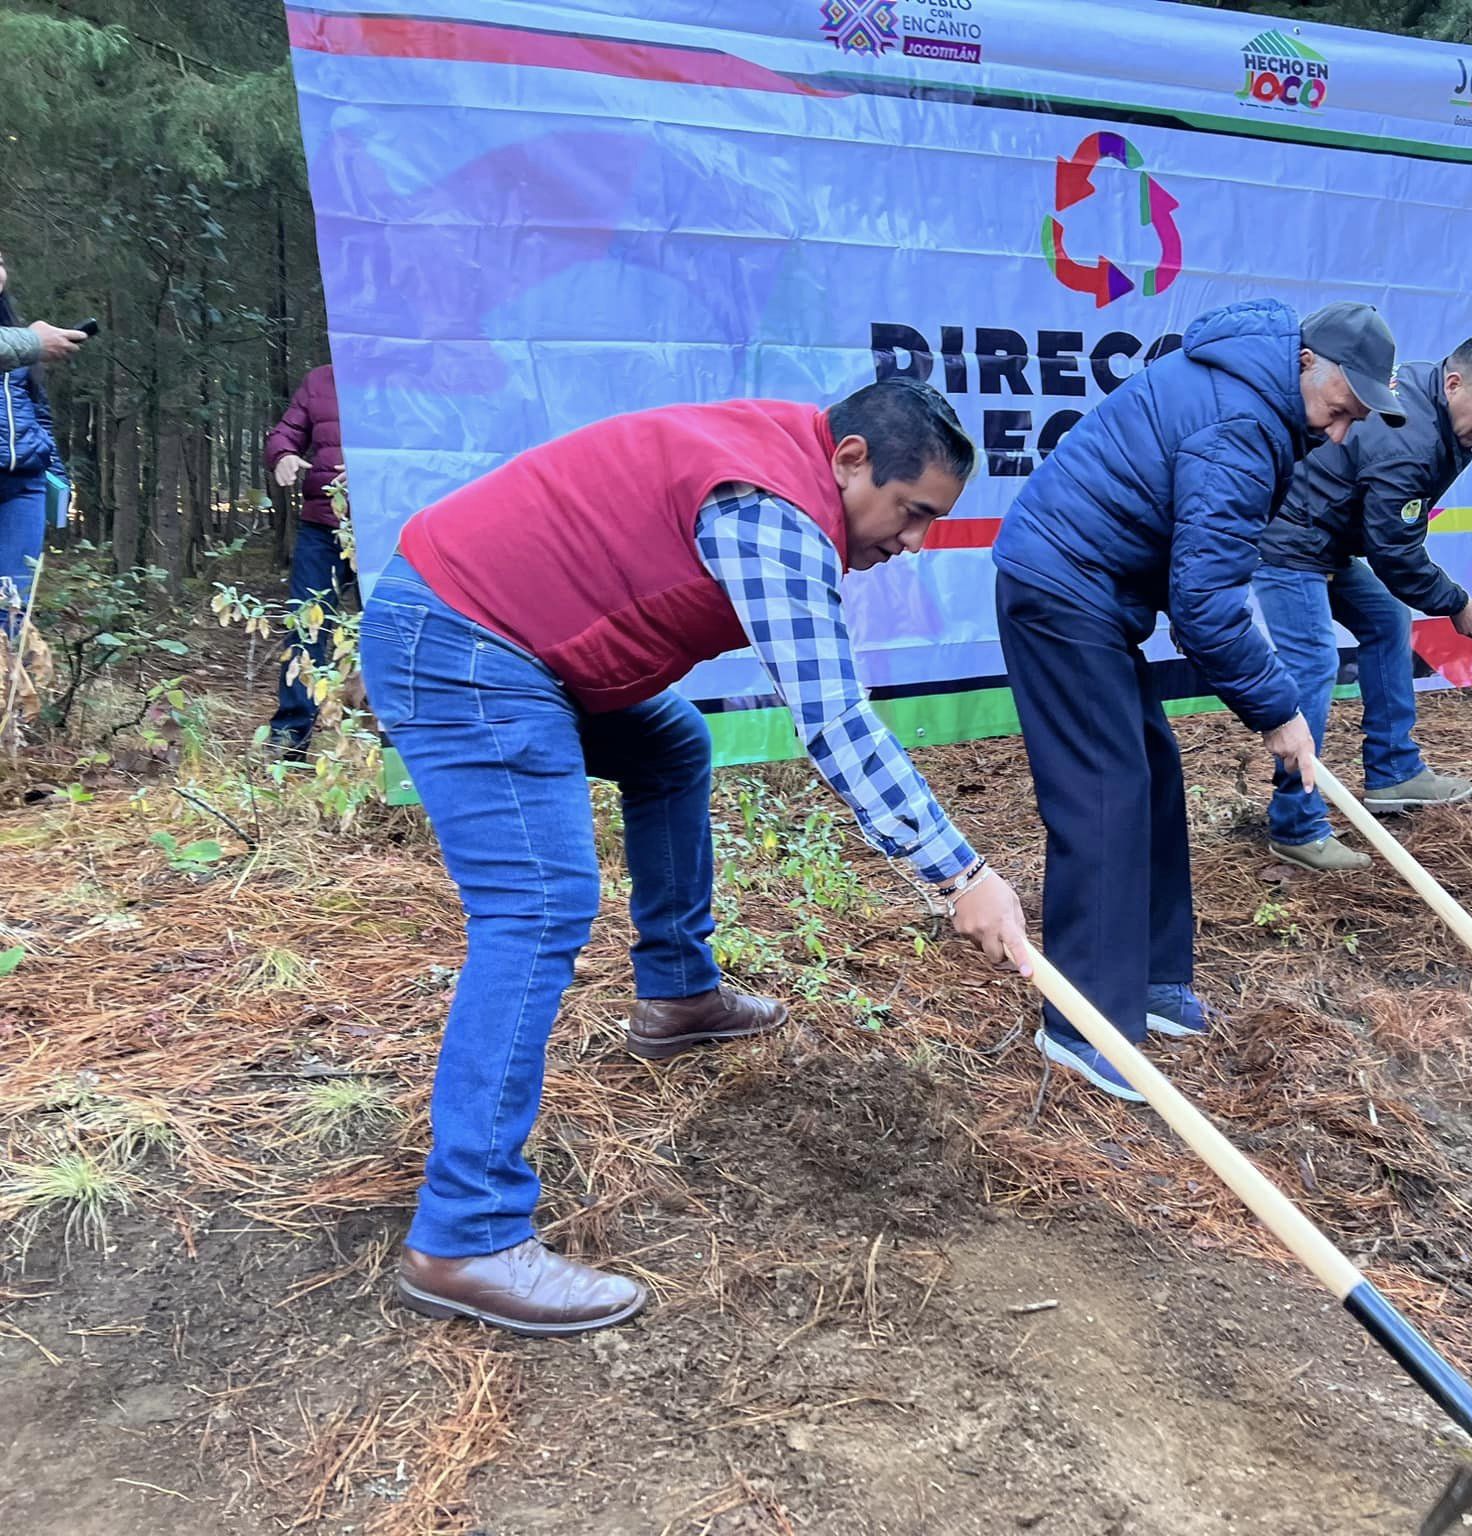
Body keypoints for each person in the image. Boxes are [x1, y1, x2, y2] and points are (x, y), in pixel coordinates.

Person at [360, 378, 1030, 1337]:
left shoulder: (785, 457)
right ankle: (465, 1233)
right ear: (849, 460)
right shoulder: (772, 512)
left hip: (512, 636)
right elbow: (835, 721)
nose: (914, 541)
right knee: (539, 907)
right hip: (465, 642)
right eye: (911, 512)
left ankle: (677, 995)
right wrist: (962, 875)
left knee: (671, 744)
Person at [991, 298, 1401, 1101]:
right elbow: (1208, 603)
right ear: (1309, 362)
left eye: (1353, 421)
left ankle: (1150, 979)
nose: (1338, 433)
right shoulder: (1243, 426)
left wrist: (1267, 702)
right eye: (1338, 410)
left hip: (1094, 593)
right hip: (1058, 586)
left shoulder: (1255, 398)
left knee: (1153, 768)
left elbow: (1198, 582)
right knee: (1104, 795)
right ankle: (1085, 1025)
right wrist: (1280, 714)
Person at [1254, 335, 1472, 870]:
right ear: (1454, 384)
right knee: (1312, 666)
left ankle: (1393, 770)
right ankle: (1296, 825)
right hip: (1287, 541)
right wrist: (1457, 603)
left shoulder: (1432, 399)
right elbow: (1394, 551)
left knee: (1385, 618)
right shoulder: (1408, 436)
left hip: (1323, 534)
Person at [263, 363, 351, 753]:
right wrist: (281, 453)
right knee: (306, 628)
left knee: (388, 634)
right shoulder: (320, 379)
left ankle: (393, 749)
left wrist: (377, 467)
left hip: (388, 527)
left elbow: (429, 444)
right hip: (322, 526)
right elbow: (286, 431)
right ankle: (290, 740)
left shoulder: (408, 372)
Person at [0, 248, 75, 638]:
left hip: (24, 484)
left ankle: (6, 694)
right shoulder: (25, 342)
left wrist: (58, 480)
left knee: (12, 604)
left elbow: (39, 415)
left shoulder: (20, 339)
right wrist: (30, 342)